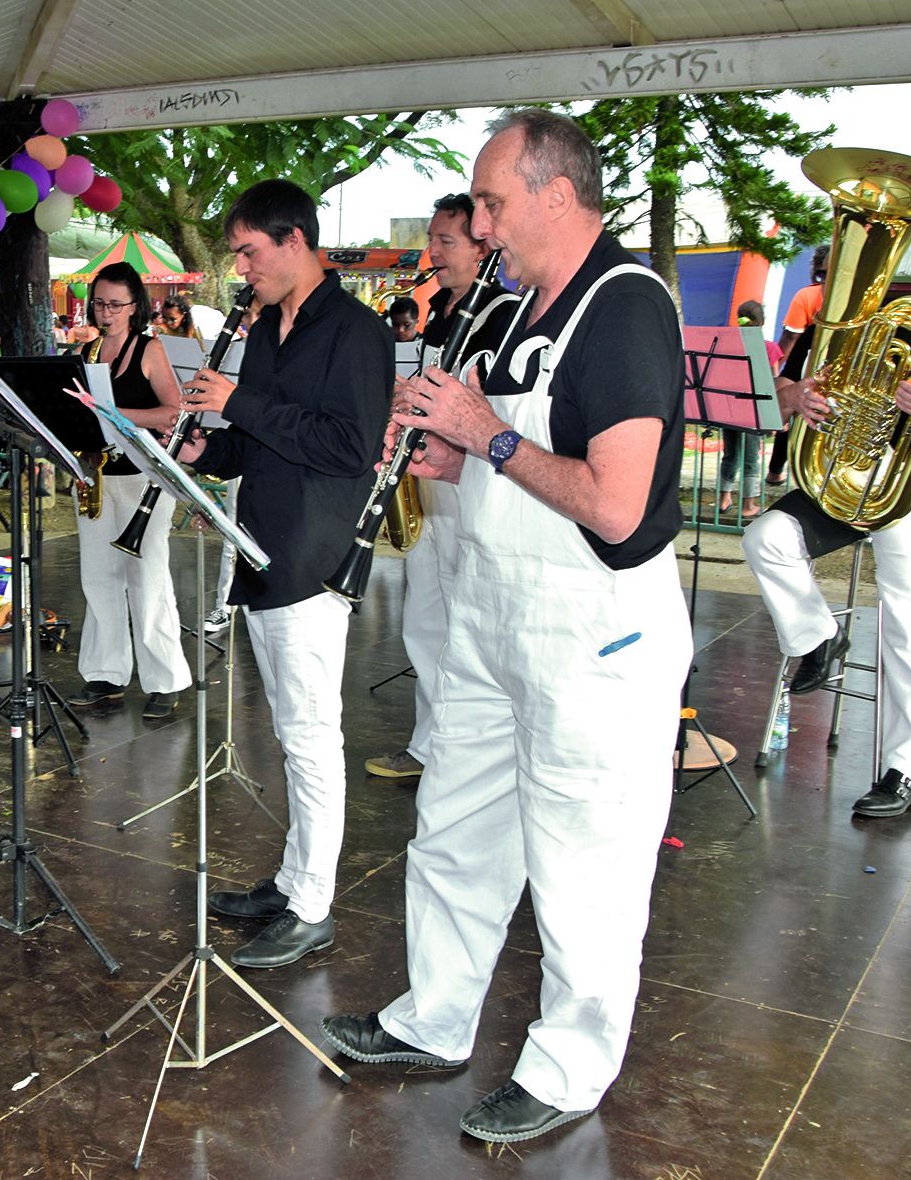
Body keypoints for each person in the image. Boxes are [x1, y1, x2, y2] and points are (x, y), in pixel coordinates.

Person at [321, 110, 692, 1148]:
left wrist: (483, 434)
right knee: (455, 826)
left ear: (555, 195)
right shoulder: (524, 307)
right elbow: (525, 463)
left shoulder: (622, 309)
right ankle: (431, 1017)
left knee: (581, 864)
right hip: (494, 615)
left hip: (593, 634)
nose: (477, 225)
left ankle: (567, 1066)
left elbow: (614, 503)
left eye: (490, 202)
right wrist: (447, 454)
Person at [177, 178, 392, 969]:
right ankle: (292, 878)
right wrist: (207, 448)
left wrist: (238, 404)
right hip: (261, 538)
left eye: (248, 250)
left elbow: (348, 447)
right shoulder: (266, 329)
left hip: (311, 551)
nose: (240, 267)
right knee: (289, 731)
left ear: (294, 240)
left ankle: (312, 905)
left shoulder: (356, 332)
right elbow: (256, 433)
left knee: (310, 737)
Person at [743, 330, 911, 817]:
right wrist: (793, 397)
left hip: (904, 477)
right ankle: (820, 636)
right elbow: (772, 401)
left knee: (904, 616)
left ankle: (904, 768)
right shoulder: (821, 330)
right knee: (764, 537)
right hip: (838, 473)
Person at [364, 192, 503, 783]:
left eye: (446, 242)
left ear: (481, 247)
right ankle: (429, 743)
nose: (432, 253)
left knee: (468, 621)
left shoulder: (499, 314)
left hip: (472, 480)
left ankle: (465, 749)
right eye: (433, 241)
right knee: (425, 616)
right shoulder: (441, 310)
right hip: (430, 479)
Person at [69, 264, 192, 719]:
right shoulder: (86, 352)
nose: (106, 313)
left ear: (135, 306)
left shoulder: (150, 349)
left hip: (142, 475)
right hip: (95, 475)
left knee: (148, 580)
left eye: (115, 305)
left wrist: (114, 412)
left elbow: (172, 414)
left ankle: (165, 680)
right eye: (99, 303)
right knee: (98, 579)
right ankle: (105, 674)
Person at [764, 247, 828, 489]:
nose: (827, 287)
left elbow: (789, 338)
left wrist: (776, 366)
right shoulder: (810, 304)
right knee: (793, 401)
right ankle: (777, 470)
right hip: (810, 363)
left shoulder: (805, 296)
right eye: (823, 277)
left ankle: (775, 470)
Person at [716, 300, 783, 517]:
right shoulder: (770, 348)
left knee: (730, 455)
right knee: (751, 458)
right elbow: (773, 382)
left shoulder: (728, 346)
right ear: (761, 322)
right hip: (753, 411)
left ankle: (724, 500)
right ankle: (748, 505)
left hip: (729, 409)